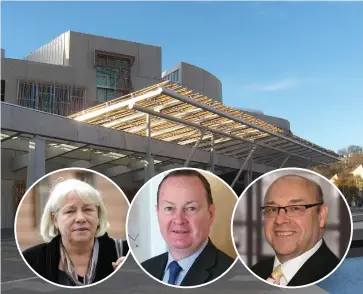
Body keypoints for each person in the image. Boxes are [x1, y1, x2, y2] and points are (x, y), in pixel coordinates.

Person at [22, 178, 129, 286]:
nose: (80, 218)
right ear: (55, 219)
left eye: (87, 210)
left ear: (98, 215)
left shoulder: (128, 252)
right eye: (70, 211)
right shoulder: (32, 259)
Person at [141, 169, 235, 287]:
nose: (179, 220)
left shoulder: (232, 276)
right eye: (169, 208)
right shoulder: (145, 269)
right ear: (157, 212)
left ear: (210, 214)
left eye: (191, 208)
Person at [251, 174, 340, 287]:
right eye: (272, 209)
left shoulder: (334, 277)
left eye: (295, 208)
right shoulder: (256, 271)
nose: (280, 220)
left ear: (321, 216)